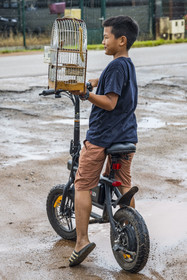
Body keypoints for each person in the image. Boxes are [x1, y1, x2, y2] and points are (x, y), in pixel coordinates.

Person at [69, 15, 139, 267]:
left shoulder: (115, 67)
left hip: (102, 136)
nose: (102, 41)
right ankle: (134, 229)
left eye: (106, 36)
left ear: (121, 40)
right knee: (123, 183)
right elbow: (111, 83)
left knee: (83, 184)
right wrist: (94, 82)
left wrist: (86, 94)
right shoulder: (125, 64)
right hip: (126, 135)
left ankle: (81, 241)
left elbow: (110, 102)